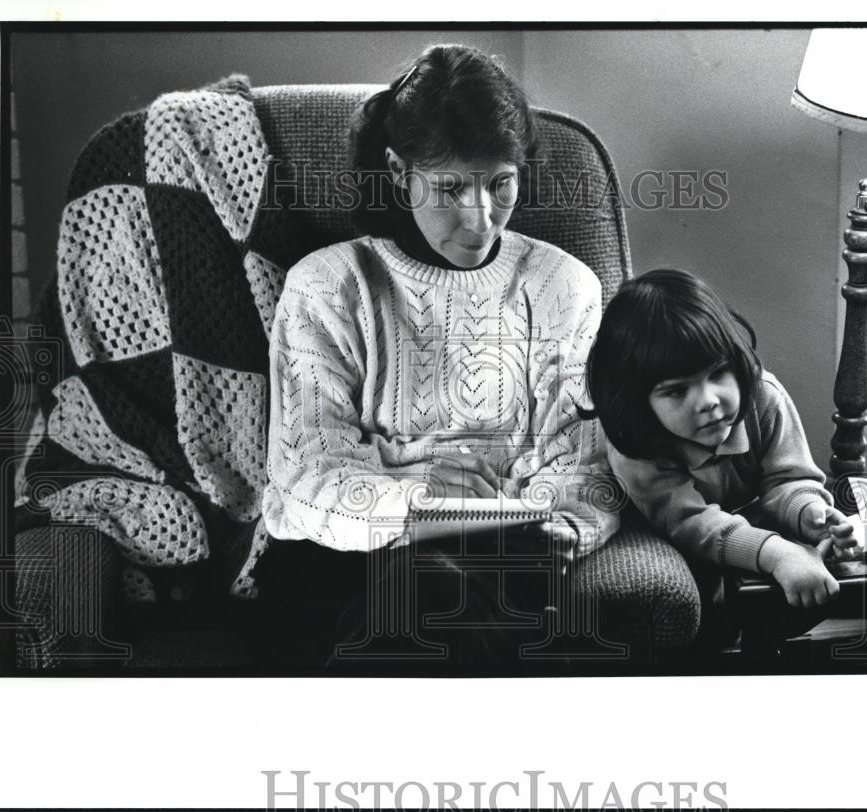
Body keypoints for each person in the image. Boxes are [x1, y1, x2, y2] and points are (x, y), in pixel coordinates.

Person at [255, 43, 619, 672]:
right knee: (424, 587)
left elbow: (582, 466)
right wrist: (417, 501)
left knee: (446, 588)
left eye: (499, 184)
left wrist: (564, 523)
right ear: (399, 171)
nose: (479, 220)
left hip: (502, 554)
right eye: (450, 187)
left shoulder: (564, 286)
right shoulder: (327, 285)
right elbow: (306, 477)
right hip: (348, 556)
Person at [581, 269, 858, 614]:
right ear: (640, 401)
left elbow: (789, 479)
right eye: (677, 390)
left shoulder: (763, 397)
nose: (709, 400)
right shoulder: (634, 443)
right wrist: (778, 553)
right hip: (684, 550)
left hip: (750, 537)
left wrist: (812, 513)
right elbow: (691, 523)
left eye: (717, 373)